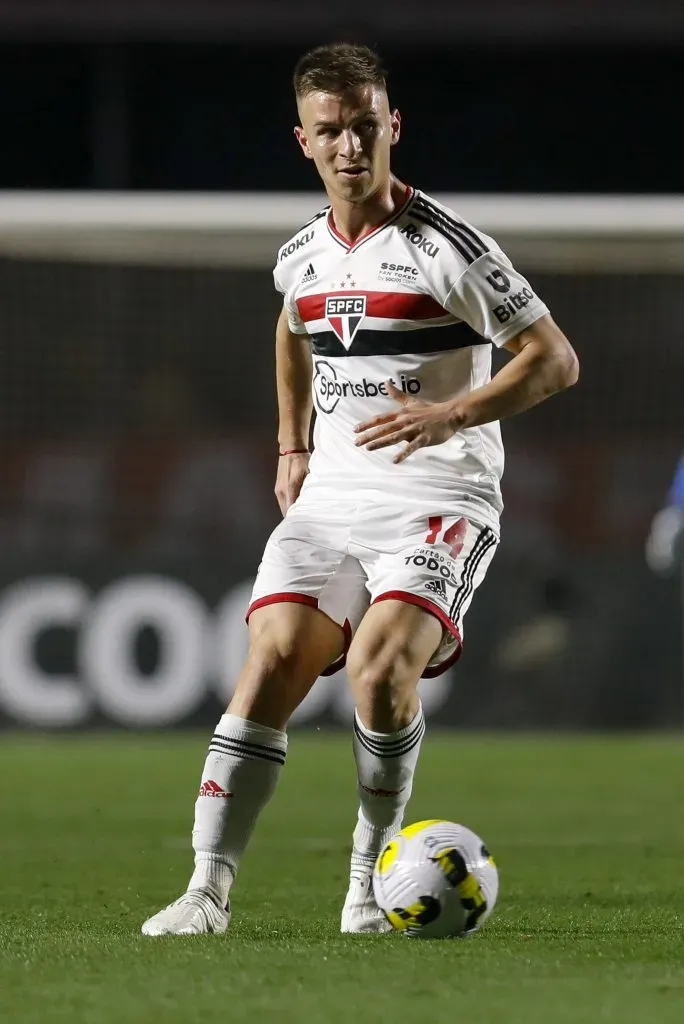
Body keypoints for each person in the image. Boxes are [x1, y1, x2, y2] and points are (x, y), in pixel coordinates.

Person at [142, 42, 579, 937]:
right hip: (333, 499)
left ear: (393, 128)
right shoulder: (301, 254)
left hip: (439, 497)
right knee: (268, 663)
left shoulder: (445, 248)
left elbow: (555, 360)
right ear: (302, 140)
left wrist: (452, 414)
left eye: (365, 127)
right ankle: (206, 892)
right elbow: (293, 329)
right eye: (331, 131)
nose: (350, 146)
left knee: (380, 673)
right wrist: (290, 443)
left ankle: (366, 884)